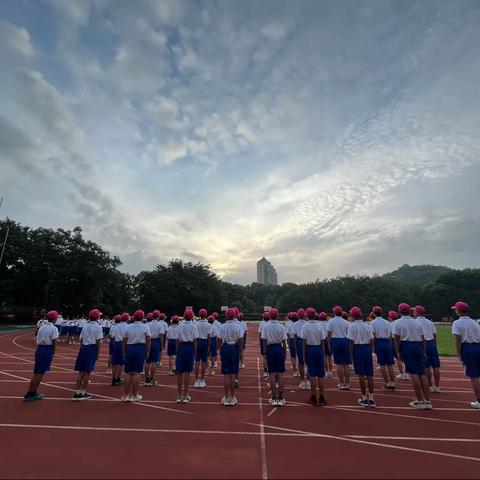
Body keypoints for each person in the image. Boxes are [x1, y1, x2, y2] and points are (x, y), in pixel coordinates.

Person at [392, 303, 432, 410]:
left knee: (413, 373)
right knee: (422, 373)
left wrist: (398, 351)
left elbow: (396, 338)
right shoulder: (416, 323)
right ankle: (428, 400)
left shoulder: (397, 322)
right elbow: (423, 338)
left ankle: (419, 400)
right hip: (418, 345)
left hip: (406, 346)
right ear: (410, 311)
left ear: (400, 311)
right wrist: (423, 351)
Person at [24, 310, 59, 402]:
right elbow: (54, 342)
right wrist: (53, 353)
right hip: (46, 349)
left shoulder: (42, 327)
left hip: (39, 349)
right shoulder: (54, 329)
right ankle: (33, 392)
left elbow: (37, 338)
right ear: (55, 318)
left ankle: (30, 391)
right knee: (40, 373)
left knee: (36, 372)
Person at [451, 301, 480, 409]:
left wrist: (458, 354)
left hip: (468, 348)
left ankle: (479, 400)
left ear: (458, 310)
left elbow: (458, 340)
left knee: (474, 376)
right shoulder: (474, 322)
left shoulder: (457, 323)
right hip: (478, 346)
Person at [347, 307, 376, 407]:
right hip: (367, 348)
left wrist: (351, 355)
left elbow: (351, 342)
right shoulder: (367, 325)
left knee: (361, 374)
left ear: (352, 316)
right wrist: (371, 350)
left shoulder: (352, 326)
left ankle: (364, 398)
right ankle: (371, 398)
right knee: (369, 374)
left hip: (358, 349)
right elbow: (372, 339)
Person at [73, 309, 103, 401]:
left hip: (84, 348)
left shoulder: (85, 326)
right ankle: (83, 392)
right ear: (97, 317)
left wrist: (81, 349)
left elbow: (81, 339)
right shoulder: (98, 327)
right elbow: (98, 341)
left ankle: (77, 392)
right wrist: (97, 353)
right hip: (91, 348)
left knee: (81, 371)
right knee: (87, 372)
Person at [122, 310, 151, 402]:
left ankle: (126, 395)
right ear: (142, 317)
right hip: (139, 348)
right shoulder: (145, 326)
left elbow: (124, 340)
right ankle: (134, 394)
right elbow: (148, 339)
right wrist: (147, 351)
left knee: (128, 372)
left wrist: (124, 352)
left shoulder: (128, 327)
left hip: (129, 348)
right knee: (136, 372)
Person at [300, 307, 327, 406]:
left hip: (310, 349)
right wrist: (323, 354)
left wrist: (303, 355)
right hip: (318, 349)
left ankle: (313, 396)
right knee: (320, 374)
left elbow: (304, 342)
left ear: (307, 315)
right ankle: (322, 396)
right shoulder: (319, 326)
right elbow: (323, 341)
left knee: (312, 374)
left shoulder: (305, 326)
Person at [261, 308, 287, 406]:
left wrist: (265, 351)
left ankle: (273, 397)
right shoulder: (281, 326)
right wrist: (284, 352)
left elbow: (264, 340)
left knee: (271, 373)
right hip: (279, 348)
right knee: (280, 373)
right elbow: (284, 341)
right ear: (278, 316)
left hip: (270, 348)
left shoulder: (266, 326)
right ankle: (280, 396)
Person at [218, 307, 244, 405]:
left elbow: (219, 340)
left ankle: (226, 396)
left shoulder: (222, 326)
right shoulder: (238, 326)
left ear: (226, 316)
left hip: (225, 348)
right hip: (234, 348)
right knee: (233, 373)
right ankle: (232, 397)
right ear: (234, 316)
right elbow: (241, 340)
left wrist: (221, 351)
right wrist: (240, 352)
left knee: (226, 374)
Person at [414, 305, 441, 393]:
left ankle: (429, 385)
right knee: (436, 366)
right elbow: (434, 335)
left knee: (426, 366)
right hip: (431, 343)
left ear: (417, 312)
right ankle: (437, 386)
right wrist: (435, 345)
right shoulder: (430, 322)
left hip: (422, 344)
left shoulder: (415, 322)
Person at [370, 306, 396, 390]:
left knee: (382, 364)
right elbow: (390, 335)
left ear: (374, 313)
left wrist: (373, 347)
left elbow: (373, 336)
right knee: (390, 364)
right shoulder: (387, 322)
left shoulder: (373, 323)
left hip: (379, 342)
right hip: (387, 342)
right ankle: (392, 382)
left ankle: (387, 383)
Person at [327, 306, 352, 390]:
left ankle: (341, 383)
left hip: (336, 341)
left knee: (339, 363)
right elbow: (349, 334)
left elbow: (329, 334)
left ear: (334, 312)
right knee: (347, 364)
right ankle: (347, 383)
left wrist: (330, 345)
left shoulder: (331, 321)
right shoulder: (346, 322)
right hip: (345, 341)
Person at [176, 309, 198, 403]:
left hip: (181, 347)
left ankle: (179, 395)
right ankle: (185, 395)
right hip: (189, 347)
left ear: (184, 316)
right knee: (187, 372)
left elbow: (177, 340)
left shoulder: (180, 326)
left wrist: (177, 351)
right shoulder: (193, 327)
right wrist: (195, 351)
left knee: (180, 371)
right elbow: (195, 340)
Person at [388, 310, 408, 379]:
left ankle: (402, 374)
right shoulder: (401, 322)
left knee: (398, 358)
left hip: (395, 341)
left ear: (390, 317)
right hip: (404, 341)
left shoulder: (391, 324)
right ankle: (406, 372)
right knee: (405, 358)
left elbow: (391, 335)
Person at [145, 311, 163, 387]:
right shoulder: (160, 324)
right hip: (156, 342)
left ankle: (147, 379)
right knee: (154, 361)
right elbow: (161, 336)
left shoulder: (148, 324)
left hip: (148, 341)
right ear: (158, 316)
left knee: (147, 361)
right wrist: (161, 345)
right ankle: (151, 379)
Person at [195, 308, 212, 388]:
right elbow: (209, 337)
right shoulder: (208, 325)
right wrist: (209, 346)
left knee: (197, 362)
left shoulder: (196, 324)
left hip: (197, 342)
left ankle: (196, 380)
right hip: (204, 342)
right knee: (204, 362)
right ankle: (202, 380)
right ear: (206, 315)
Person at [111, 313, 129, 386]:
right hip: (123, 343)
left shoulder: (116, 326)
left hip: (116, 343)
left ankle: (113, 378)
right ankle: (118, 378)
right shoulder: (128, 326)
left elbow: (113, 337)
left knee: (115, 362)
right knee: (120, 363)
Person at [294, 308, 309, 389]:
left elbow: (295, 336)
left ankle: (303, 381)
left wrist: (296, 346)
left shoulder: (295, 324)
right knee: (308, 362)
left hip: (300, 341)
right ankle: (309, 382)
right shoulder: (307, 323)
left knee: (301, 362)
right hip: (308, 342)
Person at [318, 311, 333, 378]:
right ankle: (330, 371)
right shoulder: (328, 323)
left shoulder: (318, 324)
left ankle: (326, 371)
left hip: (322, 340)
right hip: (328, 339)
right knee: (329, 357)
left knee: (324, 356)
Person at [286, 312, 299, 377]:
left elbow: (288, 334)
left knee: (293, 356)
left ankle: (294, 371)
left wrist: (288, 342)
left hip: (292, 340)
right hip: (299, 340)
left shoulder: (288, 324)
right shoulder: (298, 324)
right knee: (299, 356)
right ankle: (299, 371)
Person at [259, 312, 270, 378]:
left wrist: (261, 342)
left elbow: (260, 334)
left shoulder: (262, 323)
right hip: (270, 341)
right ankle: (270, 371)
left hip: (263, 340)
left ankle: (265, 371)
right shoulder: (270, 323)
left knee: (265, 356)